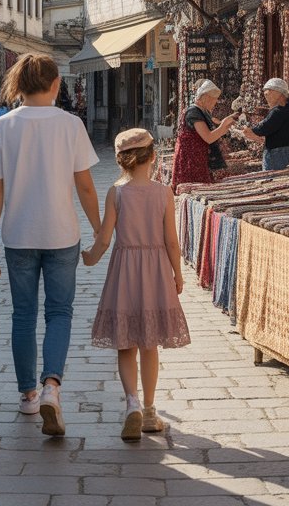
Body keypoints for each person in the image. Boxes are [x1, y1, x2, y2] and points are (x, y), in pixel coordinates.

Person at [0, 53, 101, 438]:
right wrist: (100, 228)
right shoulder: (70, 125)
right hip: (62, 233)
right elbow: (84, 185)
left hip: (18, 235)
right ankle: (52, 386)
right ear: (55, 85)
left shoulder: (3, 127)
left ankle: (29, 396)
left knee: (22, 316)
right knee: (60, 313)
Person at [82, 128, 190, 440]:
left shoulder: (116, 192)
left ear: (121, 161)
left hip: (124, 272)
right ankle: (151, 410)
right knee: (150, 343)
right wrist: (178, 275)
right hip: (155, 272)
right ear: (153, 157)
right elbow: (171, 240)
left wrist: (89, 258)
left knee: (125, 341)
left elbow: (104, 238)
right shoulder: (163, 193)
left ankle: (131, 402)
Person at [170, 79, 238, 190]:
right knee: (193, 189)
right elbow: (208, 137)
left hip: (197, 157)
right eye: (214, 100)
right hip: (191, 160)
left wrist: (225, 125)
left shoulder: (202, 111)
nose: (215, 103)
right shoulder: (194, 112)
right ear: (205, 97)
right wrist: (222, 126)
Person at [241, 78, 289, 171]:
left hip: (278, 154)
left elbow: (263, 128)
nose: (266, 94)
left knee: (272, 179)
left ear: (279, 93)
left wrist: (249, 130)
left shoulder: (279, 110)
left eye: (268, 91)